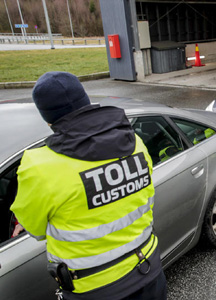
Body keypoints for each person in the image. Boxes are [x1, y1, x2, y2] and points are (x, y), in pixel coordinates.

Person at [10, 71, 167, 300]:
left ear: (47, 118)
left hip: (93, 288)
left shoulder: (38, 166)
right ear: (85, 101)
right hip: (148, 271)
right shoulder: (135, 142)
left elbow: (34, 230)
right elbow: (143, 196)